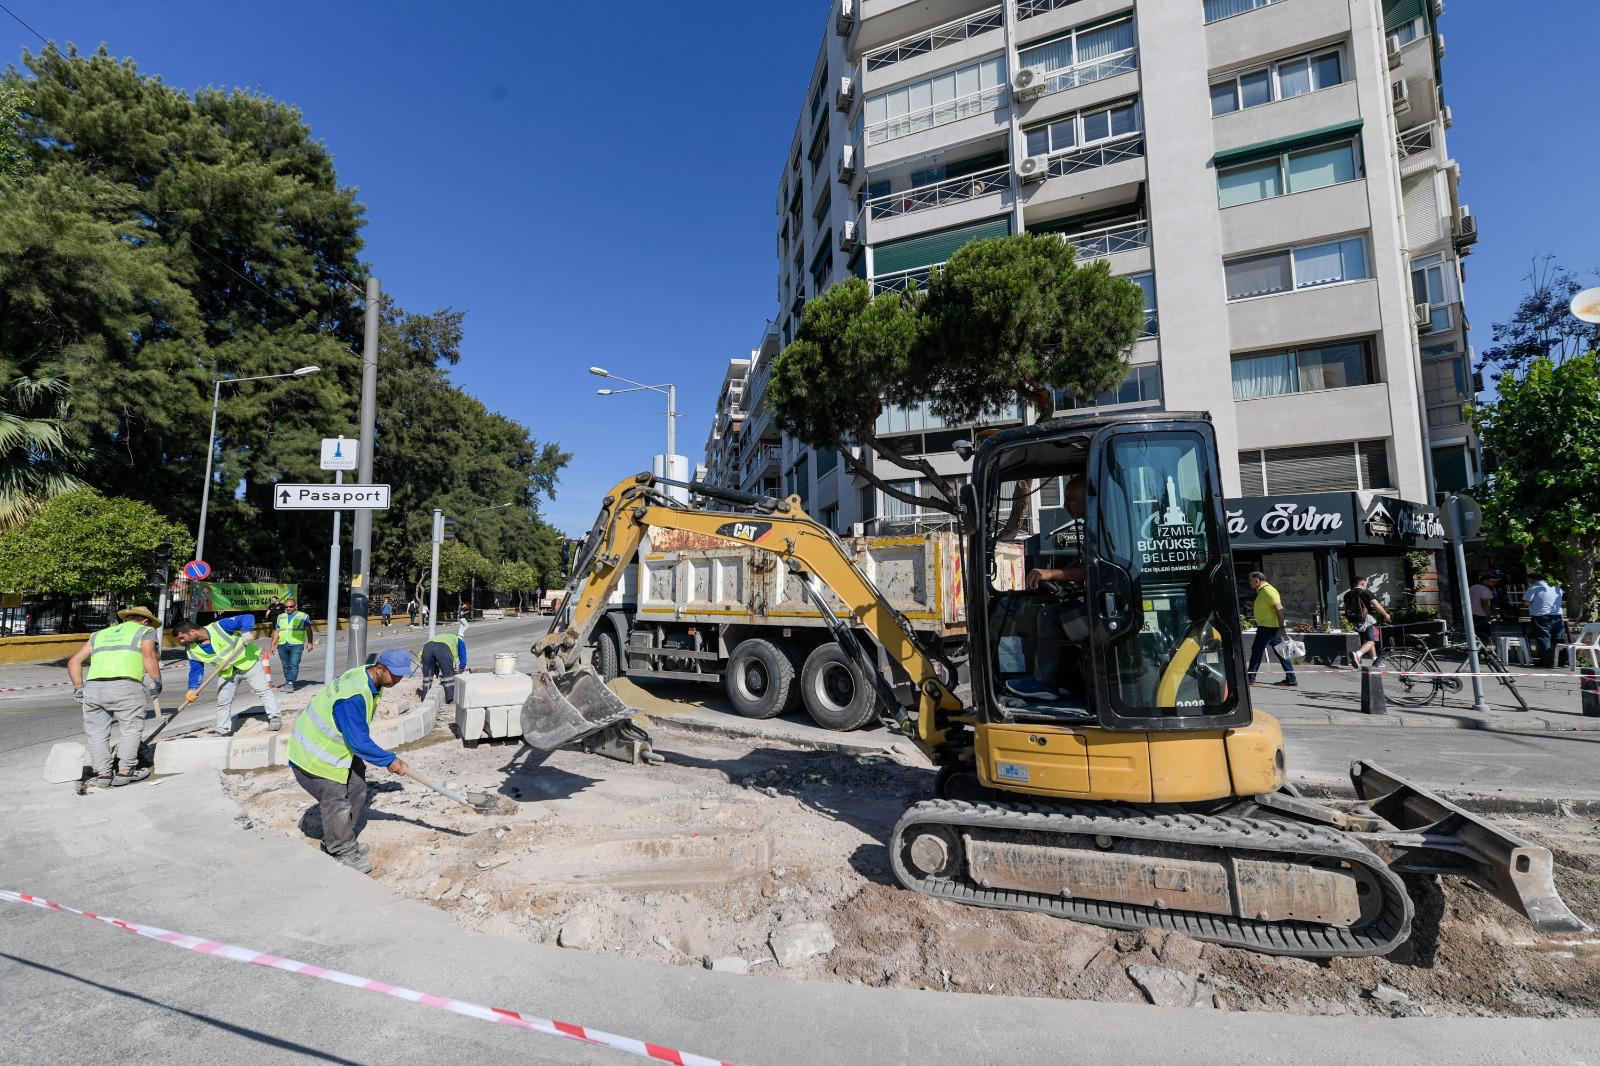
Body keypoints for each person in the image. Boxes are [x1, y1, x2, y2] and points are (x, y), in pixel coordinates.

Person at [287, 649, 414, 874]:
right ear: (380, 668)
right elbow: (359, 742)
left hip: (333, 747)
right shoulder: (354, 695)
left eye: (402, 675)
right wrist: (389, 760)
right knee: (336, 800)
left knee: (357, 788)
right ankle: (340, 849)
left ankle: (338, 838)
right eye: (395, 675)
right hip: (314, 755)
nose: (398, 680)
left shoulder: (368, 678)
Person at [1007, 477, 1088, 703]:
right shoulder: (1094, 525)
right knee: (1060, 611)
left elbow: (1089, 569)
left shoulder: (1100, 527)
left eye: (1072, 499)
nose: (1066, 505)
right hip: (1101, 604)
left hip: (1103, 613)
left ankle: (1045, 682)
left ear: (1088, 500)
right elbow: (1083, 565)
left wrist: (1049, 574)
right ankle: (1064, 681)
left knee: (1049, 616)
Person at [66, 606, 163, 788]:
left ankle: (103, 774)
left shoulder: (99, 634)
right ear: (145, 620)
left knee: (96, 734)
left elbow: (74, 661)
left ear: (126, 619)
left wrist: (79, 688)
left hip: (94, 688)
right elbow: (149, 655)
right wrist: (156, 681)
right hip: (125, 686)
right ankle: (125, 771)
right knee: (130, 729)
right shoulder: (146, 630)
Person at [174, 614, 280, 735]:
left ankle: (275, 717)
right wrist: (192, 689)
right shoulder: (191, 649)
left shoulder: (219, 627)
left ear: (192, 632)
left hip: (248, 662)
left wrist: (246, 632)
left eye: (182, 637)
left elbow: (247, 617)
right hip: (227, 672)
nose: (181, 641)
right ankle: (222, 730)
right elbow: (196, 670)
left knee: (263, 690)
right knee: (223, 701)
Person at [1246, 571, 1298, 687]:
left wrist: (1282, 627)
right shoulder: (1262, 591)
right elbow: (1268, 608)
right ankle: (1291, 678)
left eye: (1250, 581)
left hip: (1267, 628)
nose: (1250, 583)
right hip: (1270, 628)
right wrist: (1254, 606)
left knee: (1256, 652)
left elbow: (1279, 609)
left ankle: (1250, 678)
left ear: (1257, 581)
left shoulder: (1268, 590)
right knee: (1281, 653)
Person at [267, 597, 315, 691]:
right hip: (283, 644)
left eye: (290, 606)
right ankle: (289, 680)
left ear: (295, 606)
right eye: (286, 607)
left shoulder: (303, 616)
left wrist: (310, 643)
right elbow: (277, 631)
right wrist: (272, 645)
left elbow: (309, 630)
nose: (288, 608)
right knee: (285, 665)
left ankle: (289, 682)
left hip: (296, 644)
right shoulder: (281, 616)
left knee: (293, 664)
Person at [1343, 576, 1391, 665]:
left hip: (1355, 620)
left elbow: (1345, 608)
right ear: (1362, 583)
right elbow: (1377, 606)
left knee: (1368, 640)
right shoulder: (1366, 592)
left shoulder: (1347, 594)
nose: (1366, 585)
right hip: (1368, 620)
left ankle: (1376, 661)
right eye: (1366, 584)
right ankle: (1357, 654)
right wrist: (1385, 614)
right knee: (1371, 641)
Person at [1523, 572, 1566, 669]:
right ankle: (1562, 660)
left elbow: (1525, 603)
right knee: (1559, 639)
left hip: (1541, 617)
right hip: (1557, 617)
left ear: (1531, 579)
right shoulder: (1557, 588)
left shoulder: (1534, 588)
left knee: (1543, 638)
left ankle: (1546, 661)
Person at [421, 630, 468, 704]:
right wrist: (460, 670)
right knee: (448, 675)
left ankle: (424, 697)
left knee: (427, 677)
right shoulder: (459, 640)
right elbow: (463, 659)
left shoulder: (439, 637)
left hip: (427, 648)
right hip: (442, 648)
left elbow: (423, 658)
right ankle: (450, 698)